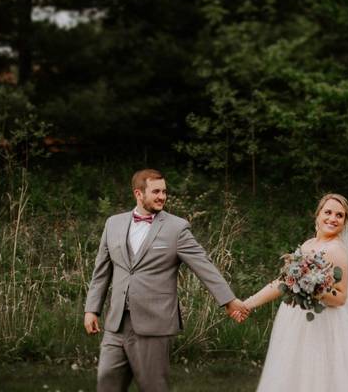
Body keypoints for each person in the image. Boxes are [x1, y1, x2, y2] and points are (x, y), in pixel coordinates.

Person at [84, 168, 250, 392]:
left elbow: (204, 266)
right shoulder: (113, 224)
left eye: (164, 191)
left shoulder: (176, 228)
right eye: (156, 191)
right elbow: (101, 272)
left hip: (154, 323)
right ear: (138, 193)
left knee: (154, 387)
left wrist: (229, 301)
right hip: (115, 324)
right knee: (106, 384)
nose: (162, 196)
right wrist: (91, 309)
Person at [243, 193, 348, 391]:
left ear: (345, 222)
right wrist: (247, 304)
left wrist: (313, 290)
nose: (333, 218)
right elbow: (283, 283)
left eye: (340, 215)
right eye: (328, 212)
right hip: (294, 319)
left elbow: (341, 297)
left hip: (323, 323)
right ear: (317, 215)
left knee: (319, 376)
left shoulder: (337, 250)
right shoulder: (308, 245)